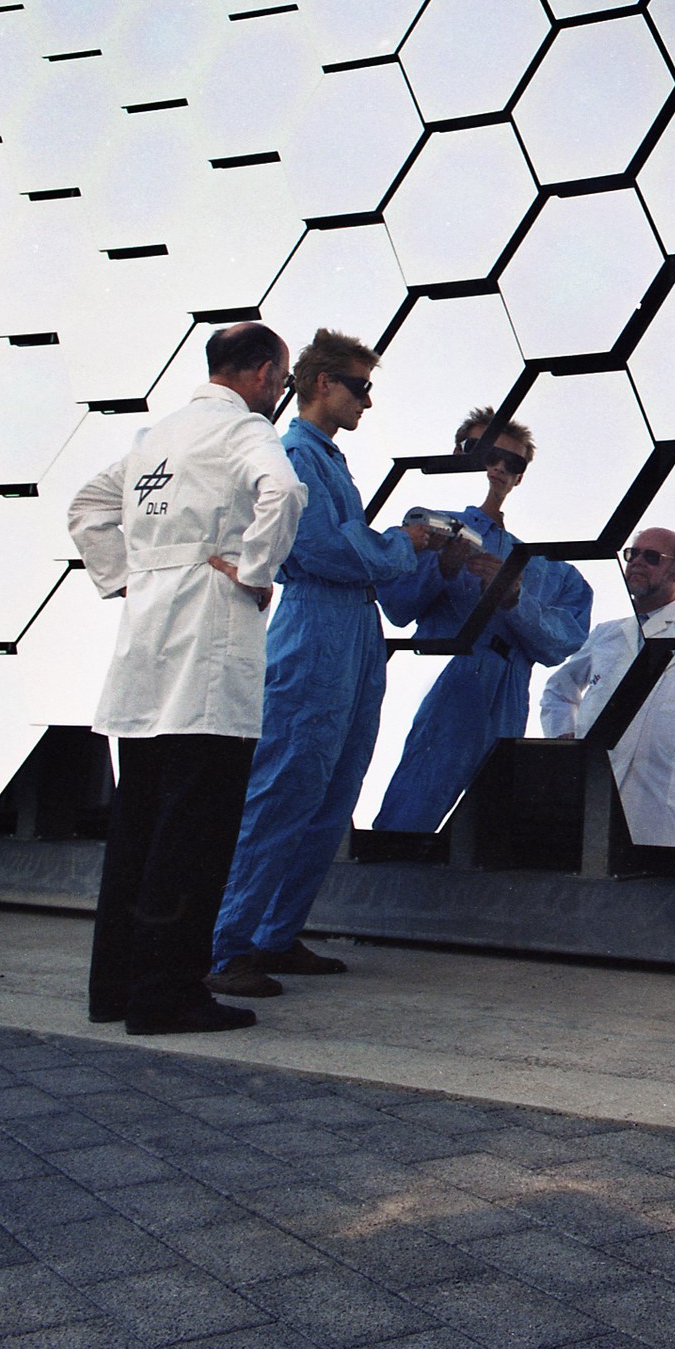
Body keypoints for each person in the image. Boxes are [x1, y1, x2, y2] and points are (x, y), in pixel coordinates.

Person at [68, 324, 307, 1034]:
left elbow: (86, 507)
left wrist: (126, 579)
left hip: (144, 640)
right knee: (195, 830)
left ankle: (115, 987)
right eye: (282, 381)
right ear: (264, 374)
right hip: (209, 630)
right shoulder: (240, 433)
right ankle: (167, 993)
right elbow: (285, 493)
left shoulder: (156, 437)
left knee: (138, 823)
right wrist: (257, 574)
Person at [207, 330, 428, 999]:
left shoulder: (326, 457)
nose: (367, 401)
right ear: (323, 384)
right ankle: (228, 943)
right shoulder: (296, 453)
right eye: (359, 387)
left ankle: (275, 932)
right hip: (317, 620)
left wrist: (381, 552)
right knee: (288, 783)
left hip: (353, 627)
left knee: (334, 788)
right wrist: (400, 545)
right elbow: (330, 549)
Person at [370, 411, 592, 832]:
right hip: (452, 670)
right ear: (463, 455)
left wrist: (514, 599)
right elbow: (396, 604)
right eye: (490, 455)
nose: (499, 468)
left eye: (514, 463)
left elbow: (563, 642)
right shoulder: (426, 525)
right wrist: (443, 570)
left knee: (492, 814)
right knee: (418, 798)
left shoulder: (549, 568)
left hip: (510, 686)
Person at [539, 527, 675, 849]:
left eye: (651, 557)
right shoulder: (607, 635)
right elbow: (558, 688)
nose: (636, 562)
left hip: (666, 815)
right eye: (631, 554)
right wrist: (564, 739)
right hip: (593, 797)